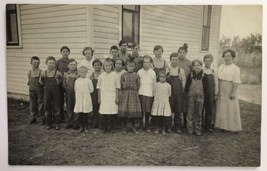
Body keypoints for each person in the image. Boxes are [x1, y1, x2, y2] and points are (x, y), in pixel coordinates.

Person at [215, 49, 242, 132]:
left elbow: (236, 82)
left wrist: (233, 92)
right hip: (221, 86)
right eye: (225, 56)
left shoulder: (235, 68)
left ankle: (231, 126)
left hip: (229, 87)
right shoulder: (221, 66)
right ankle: (221, 125)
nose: (227, 58)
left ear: (232, 57)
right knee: (221, 106)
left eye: (229, 56)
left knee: (230, 107)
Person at [118, 60, 142, 134]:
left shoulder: (136, 75)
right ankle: (124, 127)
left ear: (134, 67)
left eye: (132, 66)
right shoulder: (123, 75)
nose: (130, 68)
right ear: (126, 67)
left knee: (133, 111)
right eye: (129, 66)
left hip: (134, 94)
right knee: (125, 110)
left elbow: (138, 84)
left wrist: (134, 91)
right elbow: (121, 84)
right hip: (125, 94)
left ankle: (134, 127)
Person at [39, 56, 63, 130]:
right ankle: (48, 124)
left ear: (55, 64)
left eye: (53, 63)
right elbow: (41, 82)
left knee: (56, 107)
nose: (51, 64)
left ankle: (57, 124)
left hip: (56, 91)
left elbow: (61, 81)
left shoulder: (58, 73)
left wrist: (57, 81)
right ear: (46, 63)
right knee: (47, 107)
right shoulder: (43, 73)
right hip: (47, 91)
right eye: (49, 63)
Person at [97, 59, 120, 133]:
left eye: (109, 65)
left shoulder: (115, 75)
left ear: (112, 66)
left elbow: (117, 87)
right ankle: (105, 127)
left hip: (112, 96)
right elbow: (99, 88)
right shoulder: (101, 75)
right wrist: (99, 97)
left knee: (112, 111)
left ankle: (112, 127)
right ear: (103, 66)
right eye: (106, 65)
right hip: (104, 96)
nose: (107, 67)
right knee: (105, 112)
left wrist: (117, 97)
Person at [166, 52, 186, 133]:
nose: (174, 61)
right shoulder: (167, 70)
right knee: (169, 110)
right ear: (170, 60)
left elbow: (183, 83)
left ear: (178, 61)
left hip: (178, 94)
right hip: (170, 94)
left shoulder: (181, 70)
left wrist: (181, 92)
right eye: (173, 59)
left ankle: (177, 127)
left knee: (178, 111)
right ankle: (169, 126)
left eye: (176, 59)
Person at [184, 59, 204, 136]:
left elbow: (206, 87)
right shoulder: (190, 75)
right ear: (192, 67)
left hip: (200, 97)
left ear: (201, 66)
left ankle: (197, 129)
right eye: (194, 65)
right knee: (190, 113)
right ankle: (190, 129)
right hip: (191, 96)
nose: (196, 67)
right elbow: (187, 86)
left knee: (198, 113)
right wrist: (186, 94)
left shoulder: (203, 75)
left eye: (198, 65)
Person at [137, 55, 156, 131]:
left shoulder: (152, 72)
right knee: (141, 110)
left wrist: (154, 93)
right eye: (144, 62)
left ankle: (147, 124)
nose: (145, 64)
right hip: (141, 93)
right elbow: (138, 83)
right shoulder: (139, 72)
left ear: (150, 63)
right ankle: (141, 125)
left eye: (147, 62)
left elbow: (154, 84)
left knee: (148, 110)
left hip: (149, 93)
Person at [74, 66, 94, 133]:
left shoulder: (88, 81)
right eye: (81, 72)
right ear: (79, 73)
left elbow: (91, 90)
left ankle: (86, 126)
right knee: (80, 113)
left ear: (87, 72)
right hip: (79, 99)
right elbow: (75, 89)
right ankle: (81, 126)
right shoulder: (77, 81)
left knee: (85, 113)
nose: (83, 73)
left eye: (84, 72)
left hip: (86, 98)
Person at [202, 54, 218, 132]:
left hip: (210, 93)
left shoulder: (213, 71)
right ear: (204, 61)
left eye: (209, 61)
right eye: (206, 61)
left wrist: (216, 93)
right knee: (201, 109)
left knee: (209, 109)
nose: (207, 62)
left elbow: (216, 83)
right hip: (202, 92)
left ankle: (208, 125)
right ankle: (200, 124)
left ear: (211, 62)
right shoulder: (202, 70)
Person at [177, 43, 192, 128]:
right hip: (177, 87)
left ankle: (186, 123)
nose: (181, 54)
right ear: (178, 53)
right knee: (178, 105)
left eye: (183, 52)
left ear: (186, 53)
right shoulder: (175, 61)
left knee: (186, 105)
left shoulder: (189, 63)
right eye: (180, 52)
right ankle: (177, 123)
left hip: (187, 87)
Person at [27, 56, 45, 125]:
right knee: (33, 103)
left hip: (39, 89)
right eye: (34, 62)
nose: (36, 64)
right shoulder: (29, 72)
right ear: (31, 63)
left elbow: (42, 82)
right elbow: (29, 81)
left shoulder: (41, 72)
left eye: (38, 62)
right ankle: (34, 117)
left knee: (41, 103)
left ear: (39, 63)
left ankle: (41, 118)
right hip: (32, 90)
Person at [56, 46, 70, 123]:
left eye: (67, 51)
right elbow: (55, 72)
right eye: (64, 51)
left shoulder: (71, 61)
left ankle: (69, 117)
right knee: (60, 100)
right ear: (61, 52)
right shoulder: (58, 62)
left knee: (69, 100)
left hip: (68, 84)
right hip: (60, 84)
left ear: (69, 53)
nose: (65, 53)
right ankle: (61, 117)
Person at [64, 59, 79, 129]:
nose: (73, 66)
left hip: (76, 93)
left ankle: (76, 123)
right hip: (68, 93)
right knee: (69, 107)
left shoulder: (78, 75)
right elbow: (64, 85)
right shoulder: (66, 75)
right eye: (71, 65)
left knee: (76, 107)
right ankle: (69, 122)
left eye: (74, 65)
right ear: (68, 66)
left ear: (76, 66)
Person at [90, 59, 103, 129]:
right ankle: (94, 122)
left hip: (102, 92)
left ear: (101, 66)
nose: (97, 66)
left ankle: (101, 123)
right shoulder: (91, 75)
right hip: (94, 93)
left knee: (101, 108)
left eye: (98, 65)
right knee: (95, 107)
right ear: (93, 66)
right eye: (95, 65)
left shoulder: (103, 74)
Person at [113, 58, 127, 128]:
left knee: (122, 107)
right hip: (113, 92)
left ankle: (122, 122)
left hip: (122, 91)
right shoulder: (112, 72)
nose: (118, 65)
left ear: (122, 65)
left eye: (120, 64)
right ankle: (115, 123)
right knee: (114, 106)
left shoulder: (124, 72)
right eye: (117, 64)